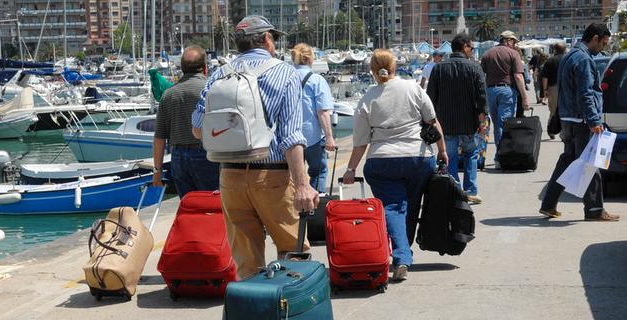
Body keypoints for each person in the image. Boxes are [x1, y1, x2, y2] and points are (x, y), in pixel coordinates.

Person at [191, 15, 318, 279]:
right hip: (273, 176)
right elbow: (292, 136)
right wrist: (303, 184)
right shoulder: (284, 73)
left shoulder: (219, 75)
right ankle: (289, 315)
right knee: (293, 256)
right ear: (266, 39)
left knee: (247, 265)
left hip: (231, 177)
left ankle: (255, 316)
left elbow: (197, 128)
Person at [341, 49, 449, 281]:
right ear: (395, 66)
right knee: (410, 205)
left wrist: (351, 170)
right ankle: (404, 254)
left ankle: (402, 256)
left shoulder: (368, 98)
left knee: (392, 207)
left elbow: (360, 142)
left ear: (372, 70)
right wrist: (442, 150)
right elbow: (432, 121)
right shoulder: (413, 88)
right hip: (418, 158)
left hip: (382, 161)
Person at [539, 23, 619, 222]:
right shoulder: (583, 59)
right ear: (594, 38)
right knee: (590, 163)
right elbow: (585, 93)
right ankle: (594, 209)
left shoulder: (570, 55)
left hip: (568, 118)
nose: (602, 48)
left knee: (567, 161)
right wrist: (593, 119)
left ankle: (548, 204)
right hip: (581, 121)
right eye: (603, 43)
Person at [427, 33, 487, 204]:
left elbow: (430, 98)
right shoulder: (474, 68)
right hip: (469, 122)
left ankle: (454, 190)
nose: (472, 51)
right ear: (465, 47)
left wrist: (431, 122)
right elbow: (481, 98)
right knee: (471, 155)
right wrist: (482, 122)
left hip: (445, 123)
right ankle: (471, 190)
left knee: (450, 157)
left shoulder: (438, 68)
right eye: (471, 48)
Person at [153, 46, 219, 197]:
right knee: (212, 205)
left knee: (188, 205)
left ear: (182, 68)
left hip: (178, 158)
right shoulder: (213, 90)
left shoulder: (168, 95)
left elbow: (159, 137)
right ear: (205, 68)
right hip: (207, 155)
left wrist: (157, 171)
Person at [291, 43, 336, 192]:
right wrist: (329, 137)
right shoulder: (316, 80)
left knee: (292, 176)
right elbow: (322, 111)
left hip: (289, 136)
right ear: (310, 60)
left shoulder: (285, 78)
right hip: (312, 136)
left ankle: (293, 208)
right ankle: (314, 209)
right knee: (318, 172)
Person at [481, 31, 529, 168]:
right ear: (508, 40)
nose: (514, 44)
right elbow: (519, 77)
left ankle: (499, 155)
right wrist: (525, 98)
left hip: (490, 91)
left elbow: (481, 76)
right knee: (505, 124)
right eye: (513, 42)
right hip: (507, 91)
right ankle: (502, 156)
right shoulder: (513, 54)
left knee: (497, 125)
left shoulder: (488, 53)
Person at [541, 42, 567, 139]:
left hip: (553, 88)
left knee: (553, 110)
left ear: (555, 50)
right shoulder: (568, 59)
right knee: (565, 110)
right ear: (565, 50)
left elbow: (545, 77)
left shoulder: (550, 60)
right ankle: (563, 132)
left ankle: (551, 130)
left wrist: (545, 90)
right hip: (566, 88)